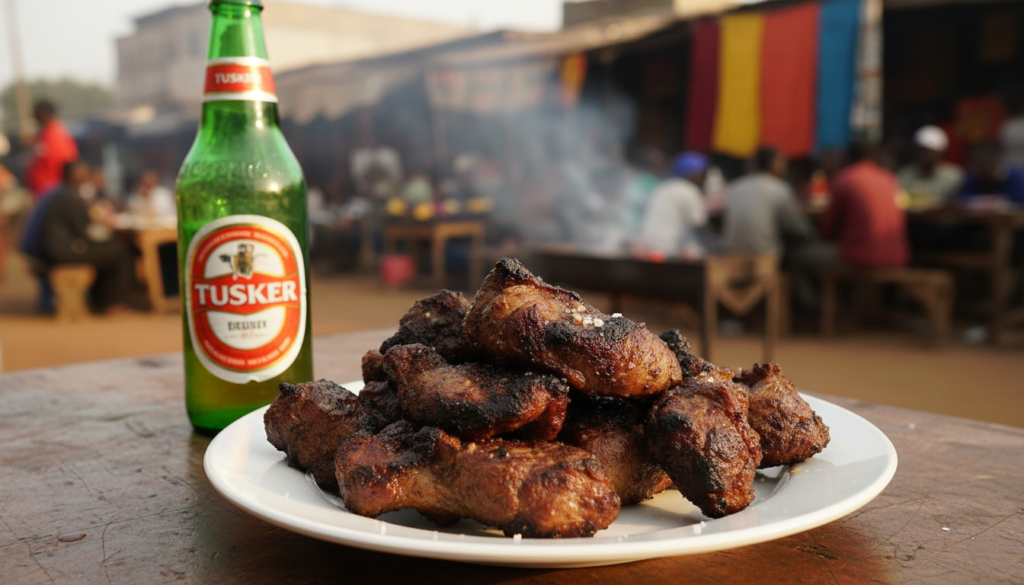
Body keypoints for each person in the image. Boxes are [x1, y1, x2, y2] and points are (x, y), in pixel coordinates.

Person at [37, 161, 135, 314]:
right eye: (82, 172)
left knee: (110, 250)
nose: (86, 175)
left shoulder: (63, 193)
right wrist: (107, 228)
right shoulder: (69, 197)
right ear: (73, 175)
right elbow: (85, 231)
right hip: (63, 252)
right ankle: (113, 304)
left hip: (58, 249)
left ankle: (101, 300)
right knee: (120, 252)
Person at [722, 147, 814, 255]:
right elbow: (800, 228)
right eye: (781, 162)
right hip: (766, 256)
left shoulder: (734, 187)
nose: (785, 166)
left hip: (730, 254)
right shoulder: (779, 188)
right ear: (772, 164)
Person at [637, 152, 710, 260]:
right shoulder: (690, 190)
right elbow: (700, 225)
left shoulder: (663, 186)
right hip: (670, 252)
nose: (704, 178)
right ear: (692, 173)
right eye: (701, 173)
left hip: (647, 247)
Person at [897, 126, 964, 209]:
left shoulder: (954, 177)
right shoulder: (905, 175)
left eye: (930, 152)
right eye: (921, 151)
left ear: (940, 154)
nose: (925, 155)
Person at [25, 100, 79, 200]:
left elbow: (67, 163)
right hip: (43, 194)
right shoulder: (44, 134)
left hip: (53, 194)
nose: (34, 116)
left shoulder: (56, 134)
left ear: (43, 113)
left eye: (36, 113)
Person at [958, 141, 1024, 206]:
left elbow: (1020, 202)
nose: (984, 168)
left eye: (988, 164)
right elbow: (960, 200)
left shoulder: (1015, 176)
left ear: (997, 162)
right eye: (980, 164)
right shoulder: (971, 177)